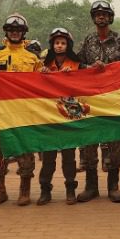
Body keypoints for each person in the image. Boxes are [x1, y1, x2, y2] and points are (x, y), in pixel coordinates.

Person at [0, 14, 42, 207]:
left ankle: (25, 190)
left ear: (23, 33)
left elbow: (42, 84)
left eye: (18, 30)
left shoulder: (33, 58)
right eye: (11, 30)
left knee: (25, 153)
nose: (15, 33)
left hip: (23, 115)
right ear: (6, 31)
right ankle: (0, 191)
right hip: (0, 115)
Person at [77, 0, 120, 203]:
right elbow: (77, 64)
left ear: (110, 17)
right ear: (93, 17)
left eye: (104, 14)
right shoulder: (88, 40)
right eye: (97, 14)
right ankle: (91, 187)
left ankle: (114, 186)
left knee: (115, 144)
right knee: (90, 143)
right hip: (91, 99)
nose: (101, 16)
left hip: (113, 98)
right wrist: (89, 67)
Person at [37, 28, 83, 205]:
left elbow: (89, 79)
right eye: (56, 43)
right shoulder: (44, 65)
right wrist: (41, 75)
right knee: (48, 157)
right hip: (49, 117)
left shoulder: (77, 65)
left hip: (69, 117)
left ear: (68, 45)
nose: (59, 46)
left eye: (63, 43)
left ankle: (70, 189)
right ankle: (45, 190)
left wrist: (73, 76)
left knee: (69, 157)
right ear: (52, 45)